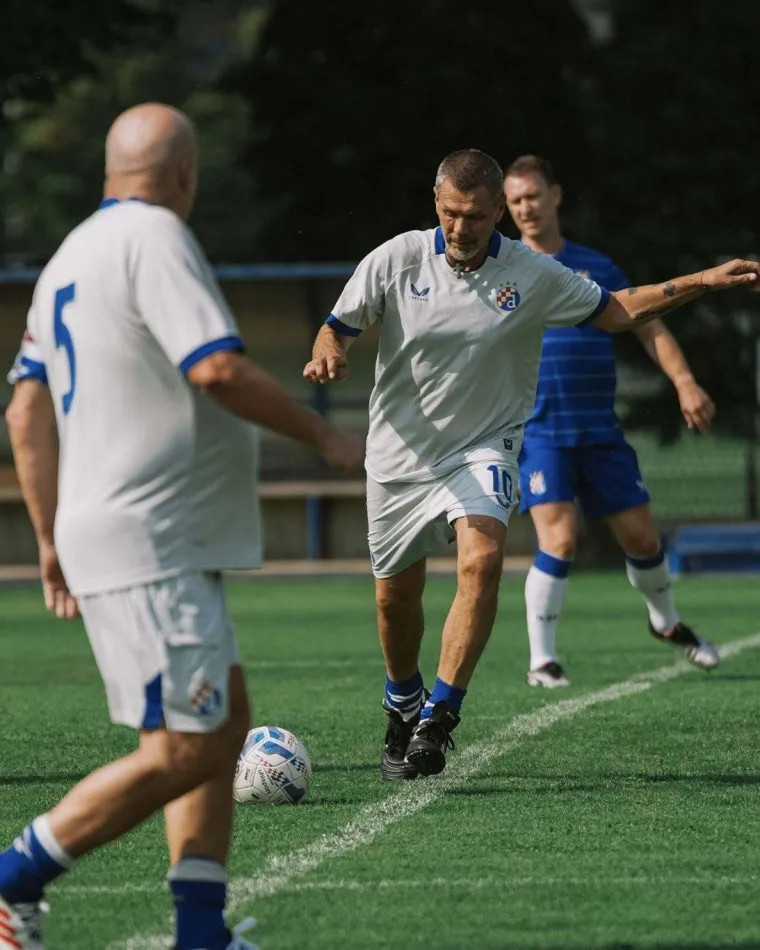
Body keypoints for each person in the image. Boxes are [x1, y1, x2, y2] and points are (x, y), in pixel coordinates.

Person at [0, 103, 363, 950]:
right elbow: (218, 368)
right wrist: (328, 435)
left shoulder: (65, 261)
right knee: (187, 751)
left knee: (220, 725)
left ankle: (201, 934)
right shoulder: (154, 237)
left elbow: (24, 412)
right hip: (150, 540)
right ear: (186, 177)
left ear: (106, 172)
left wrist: (50, 538)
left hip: (132, 537)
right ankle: (12, 883)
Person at [303, 148, 759, 780]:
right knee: (394, 603)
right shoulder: (396, 257)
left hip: (485, 445)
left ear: (499, 215)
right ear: (436, 205)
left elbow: (618, 310)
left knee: (484, 557)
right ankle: (402, 701)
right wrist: (328, 351)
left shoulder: (532, 271)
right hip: (399, 457)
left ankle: (440, 716)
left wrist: (704, 282)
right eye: (451, 214)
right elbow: (337, 325)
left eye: (477, 217)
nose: (462, 229)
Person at [504, 154, 721, 688]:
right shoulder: (504, 271)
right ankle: (542, 660)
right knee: (560, 538)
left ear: (556, 195)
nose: (525, 208)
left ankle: (665, 622)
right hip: (540, 431)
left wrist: (685, 381)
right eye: (514, 201)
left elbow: (647, 326)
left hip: (599, 430)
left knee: (642, 540)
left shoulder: (596, 266)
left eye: (533, 196)